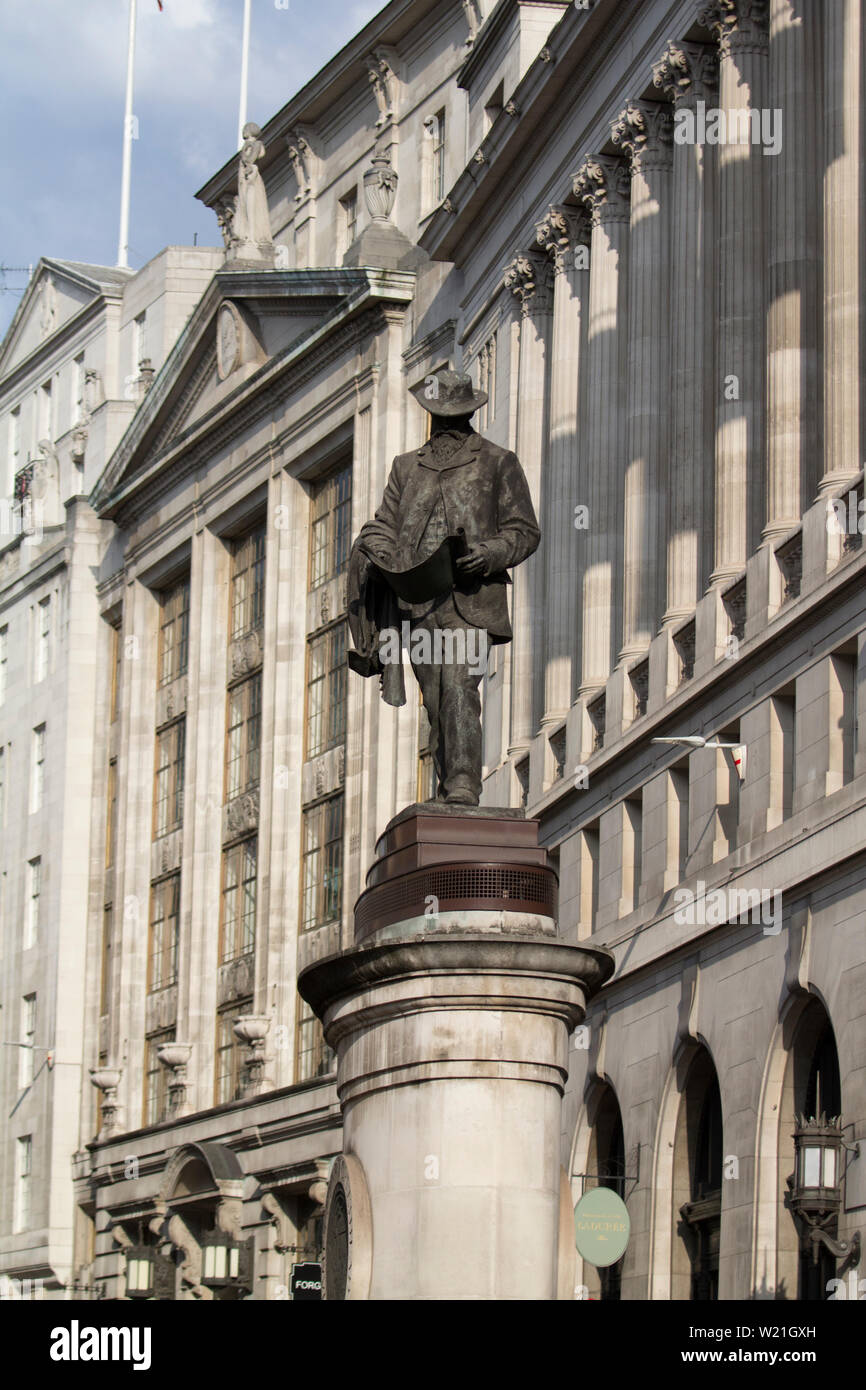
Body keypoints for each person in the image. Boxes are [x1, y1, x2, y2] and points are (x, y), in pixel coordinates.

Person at [348, 369, 540, 806]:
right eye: (442, 416)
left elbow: (524, 530)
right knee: (435, 704)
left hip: (470, 601)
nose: (448, 425)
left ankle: (464, 785)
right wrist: (379, 551)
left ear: (469, 414)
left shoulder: (497, 461)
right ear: (431, 416)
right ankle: (447, 790)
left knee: (459, 689)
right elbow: (382, 526)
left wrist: (489, 553)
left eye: (455, 416)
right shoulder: (405, 467)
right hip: (417, 603)